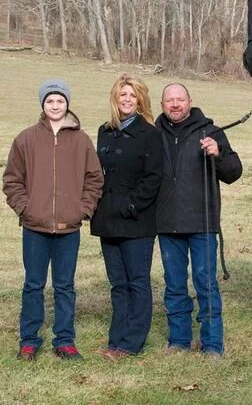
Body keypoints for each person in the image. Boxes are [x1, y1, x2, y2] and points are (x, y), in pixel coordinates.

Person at [3, 79, 104, 361]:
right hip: (35, 227)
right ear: (43, 105)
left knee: (65, 286)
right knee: (33, 284)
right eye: (50, 101)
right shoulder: (26, 139)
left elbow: (94, 179)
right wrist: (26, 209)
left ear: (67, 103)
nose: (55, 105)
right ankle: (29, 340)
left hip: (69, 228)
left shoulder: (81, 140)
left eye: (60, 101)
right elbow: (12, 180)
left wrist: (82, 210)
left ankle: (64, 340)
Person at [156, 83, 242, 357]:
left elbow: (234, 172)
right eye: (170, 100)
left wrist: (218, 154)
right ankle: (179, 340)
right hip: (167, 224)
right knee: (174, 285)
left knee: (205, 283)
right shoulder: (153, 134)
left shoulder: (210, 131)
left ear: (190, 102)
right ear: (162, 104)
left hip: (202, 223)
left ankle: (212, 344)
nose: (175, 104)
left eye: (180, 99)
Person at [91, 74, 163, 360]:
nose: (127, 100)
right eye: (123, 95)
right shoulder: (104, 131)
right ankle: (115, 339)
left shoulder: (150, 134)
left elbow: (153, 177)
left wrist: (132, 205)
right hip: (107, 219)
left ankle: (132, 343)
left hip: (137, 221)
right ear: (115, 98)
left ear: (140, 99)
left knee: (137, 281)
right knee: (117, 283)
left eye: (132, 95)